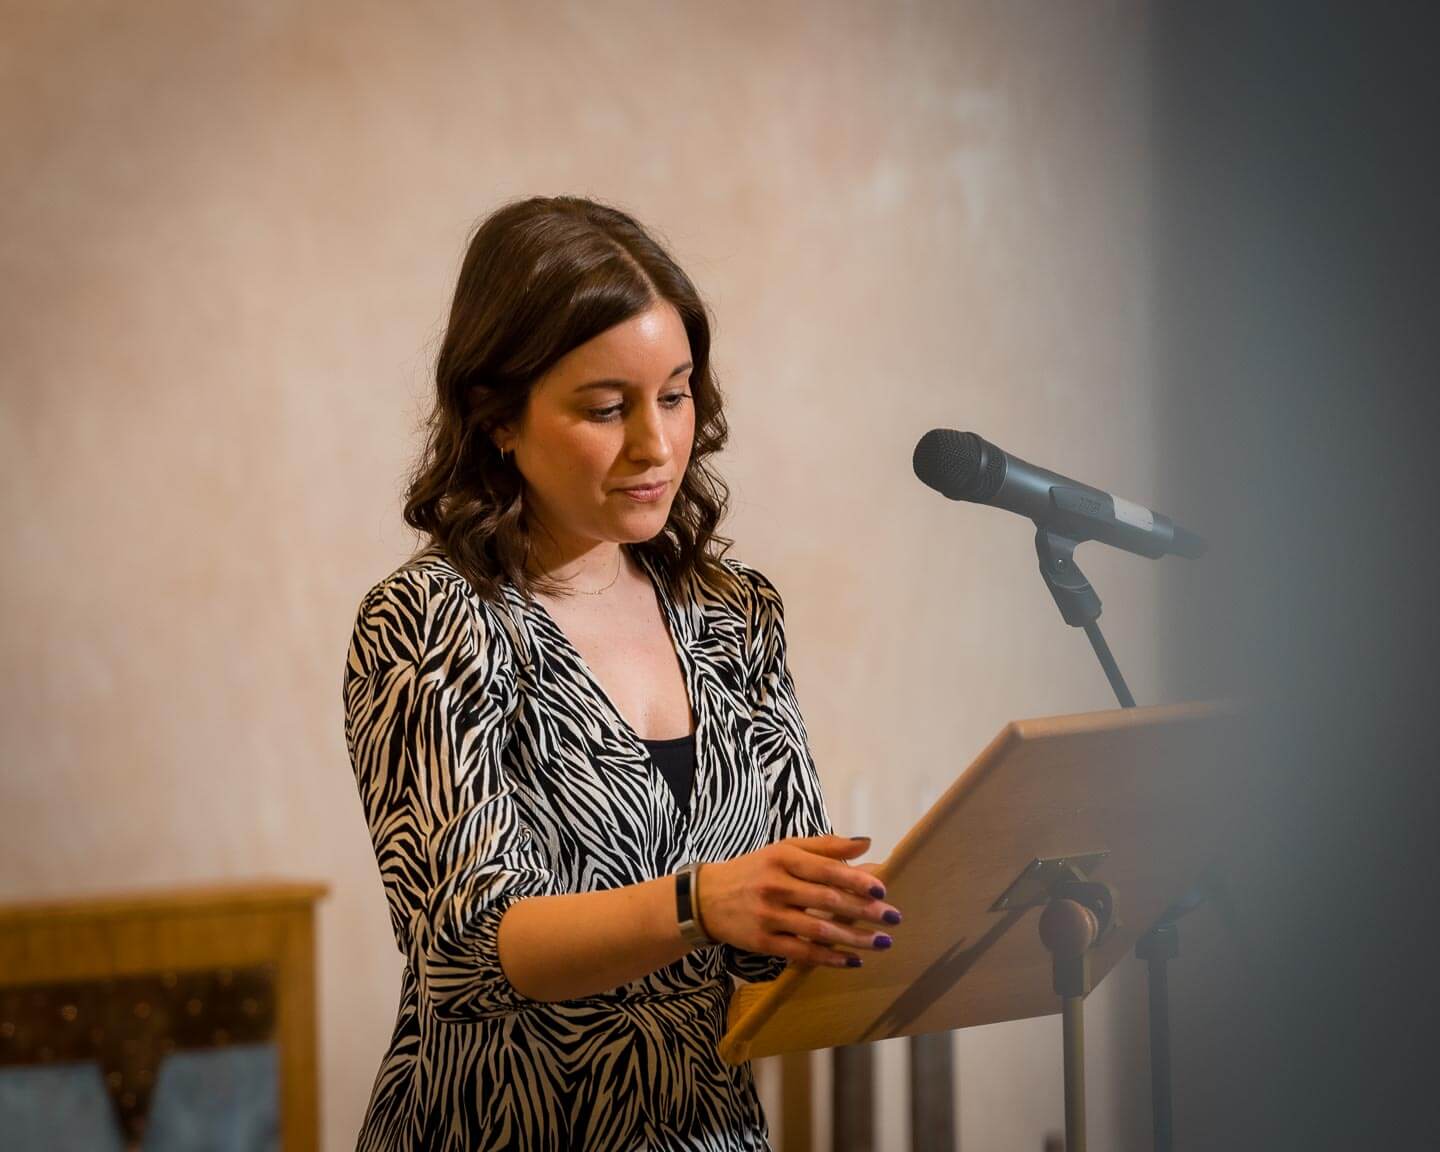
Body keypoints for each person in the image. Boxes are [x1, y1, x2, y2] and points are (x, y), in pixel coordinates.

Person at [342, 195, 902, 1151]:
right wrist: (698, 904)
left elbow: (777, 921)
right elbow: (467, 951)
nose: (657, 445)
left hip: (710, 1131)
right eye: (607, 409)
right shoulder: (431, 620)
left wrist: (879, 909)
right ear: (497, 417)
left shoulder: (732, 615)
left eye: (675, 396)